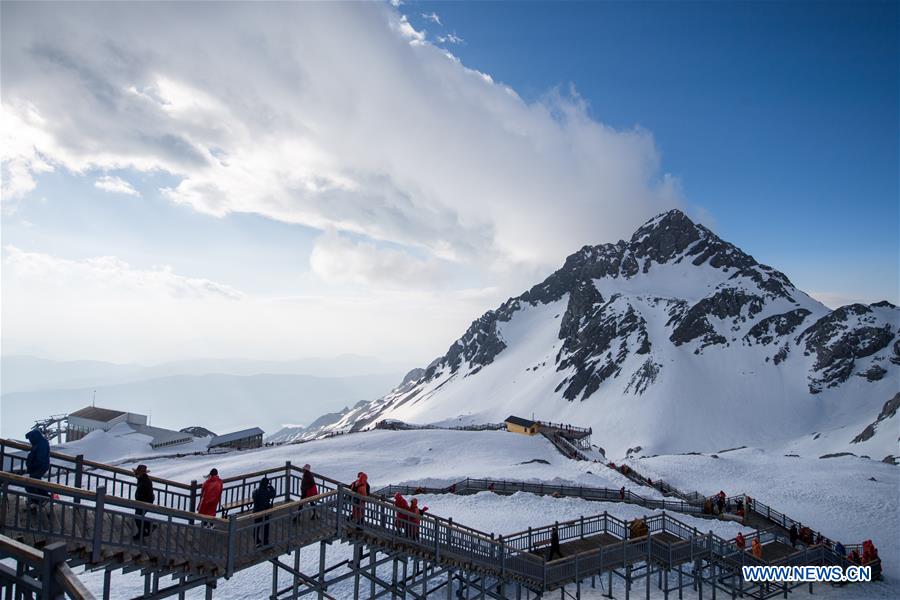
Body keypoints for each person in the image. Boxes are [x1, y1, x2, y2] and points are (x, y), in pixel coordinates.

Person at [24, 429, 51, 507]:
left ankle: (41, 499)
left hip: (39, 466)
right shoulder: (38, 443)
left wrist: (32, 466)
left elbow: (40, 458)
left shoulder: (42, 444)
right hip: (37, 466)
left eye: (30, 439)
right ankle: (37, 499)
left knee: (31, 483)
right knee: (34, 482)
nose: (30, 441)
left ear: (34, 437)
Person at [132, 464, 155, 541]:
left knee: (138, 517)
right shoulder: (142, 479)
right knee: (138, 517)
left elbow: (144, 493)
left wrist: (140, 501)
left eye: (137, 473)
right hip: (143, 501)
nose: (136, 475)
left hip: (145, 502)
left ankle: (149, 526)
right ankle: (143, 531)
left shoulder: (145, 481)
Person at [252, 476, 276, 547]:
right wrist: (272, 488)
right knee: (266, 526)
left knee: (256, 526)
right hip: (264, 511)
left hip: (256, 511)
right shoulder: (266, 492)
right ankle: (265, 542)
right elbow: (273, 494)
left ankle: (257, 541)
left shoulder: (255, 490)